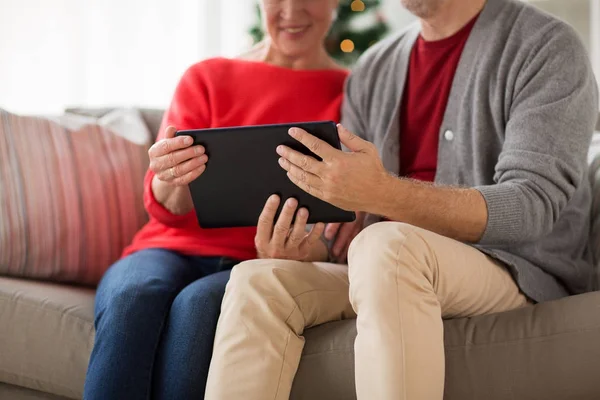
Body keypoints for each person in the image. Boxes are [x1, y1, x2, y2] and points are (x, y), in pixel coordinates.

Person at [205, 0, 600, 399]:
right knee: (258, 279)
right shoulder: (374, 68)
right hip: (392, 265)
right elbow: (347, 225)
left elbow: (530, 208)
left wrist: (383, 193)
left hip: (514, 268)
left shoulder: (545, 46)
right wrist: (312, 249)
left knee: (387, 246)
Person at [83, 1, 346, 399]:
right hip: (165, 249)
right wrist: (170, 176)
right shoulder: (208, 77)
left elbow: (341, 223)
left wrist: (309, 251)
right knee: (135, 295)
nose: (291, 11)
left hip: (254, 264)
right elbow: (167, 209)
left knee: (199, 307)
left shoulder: (353, 93)